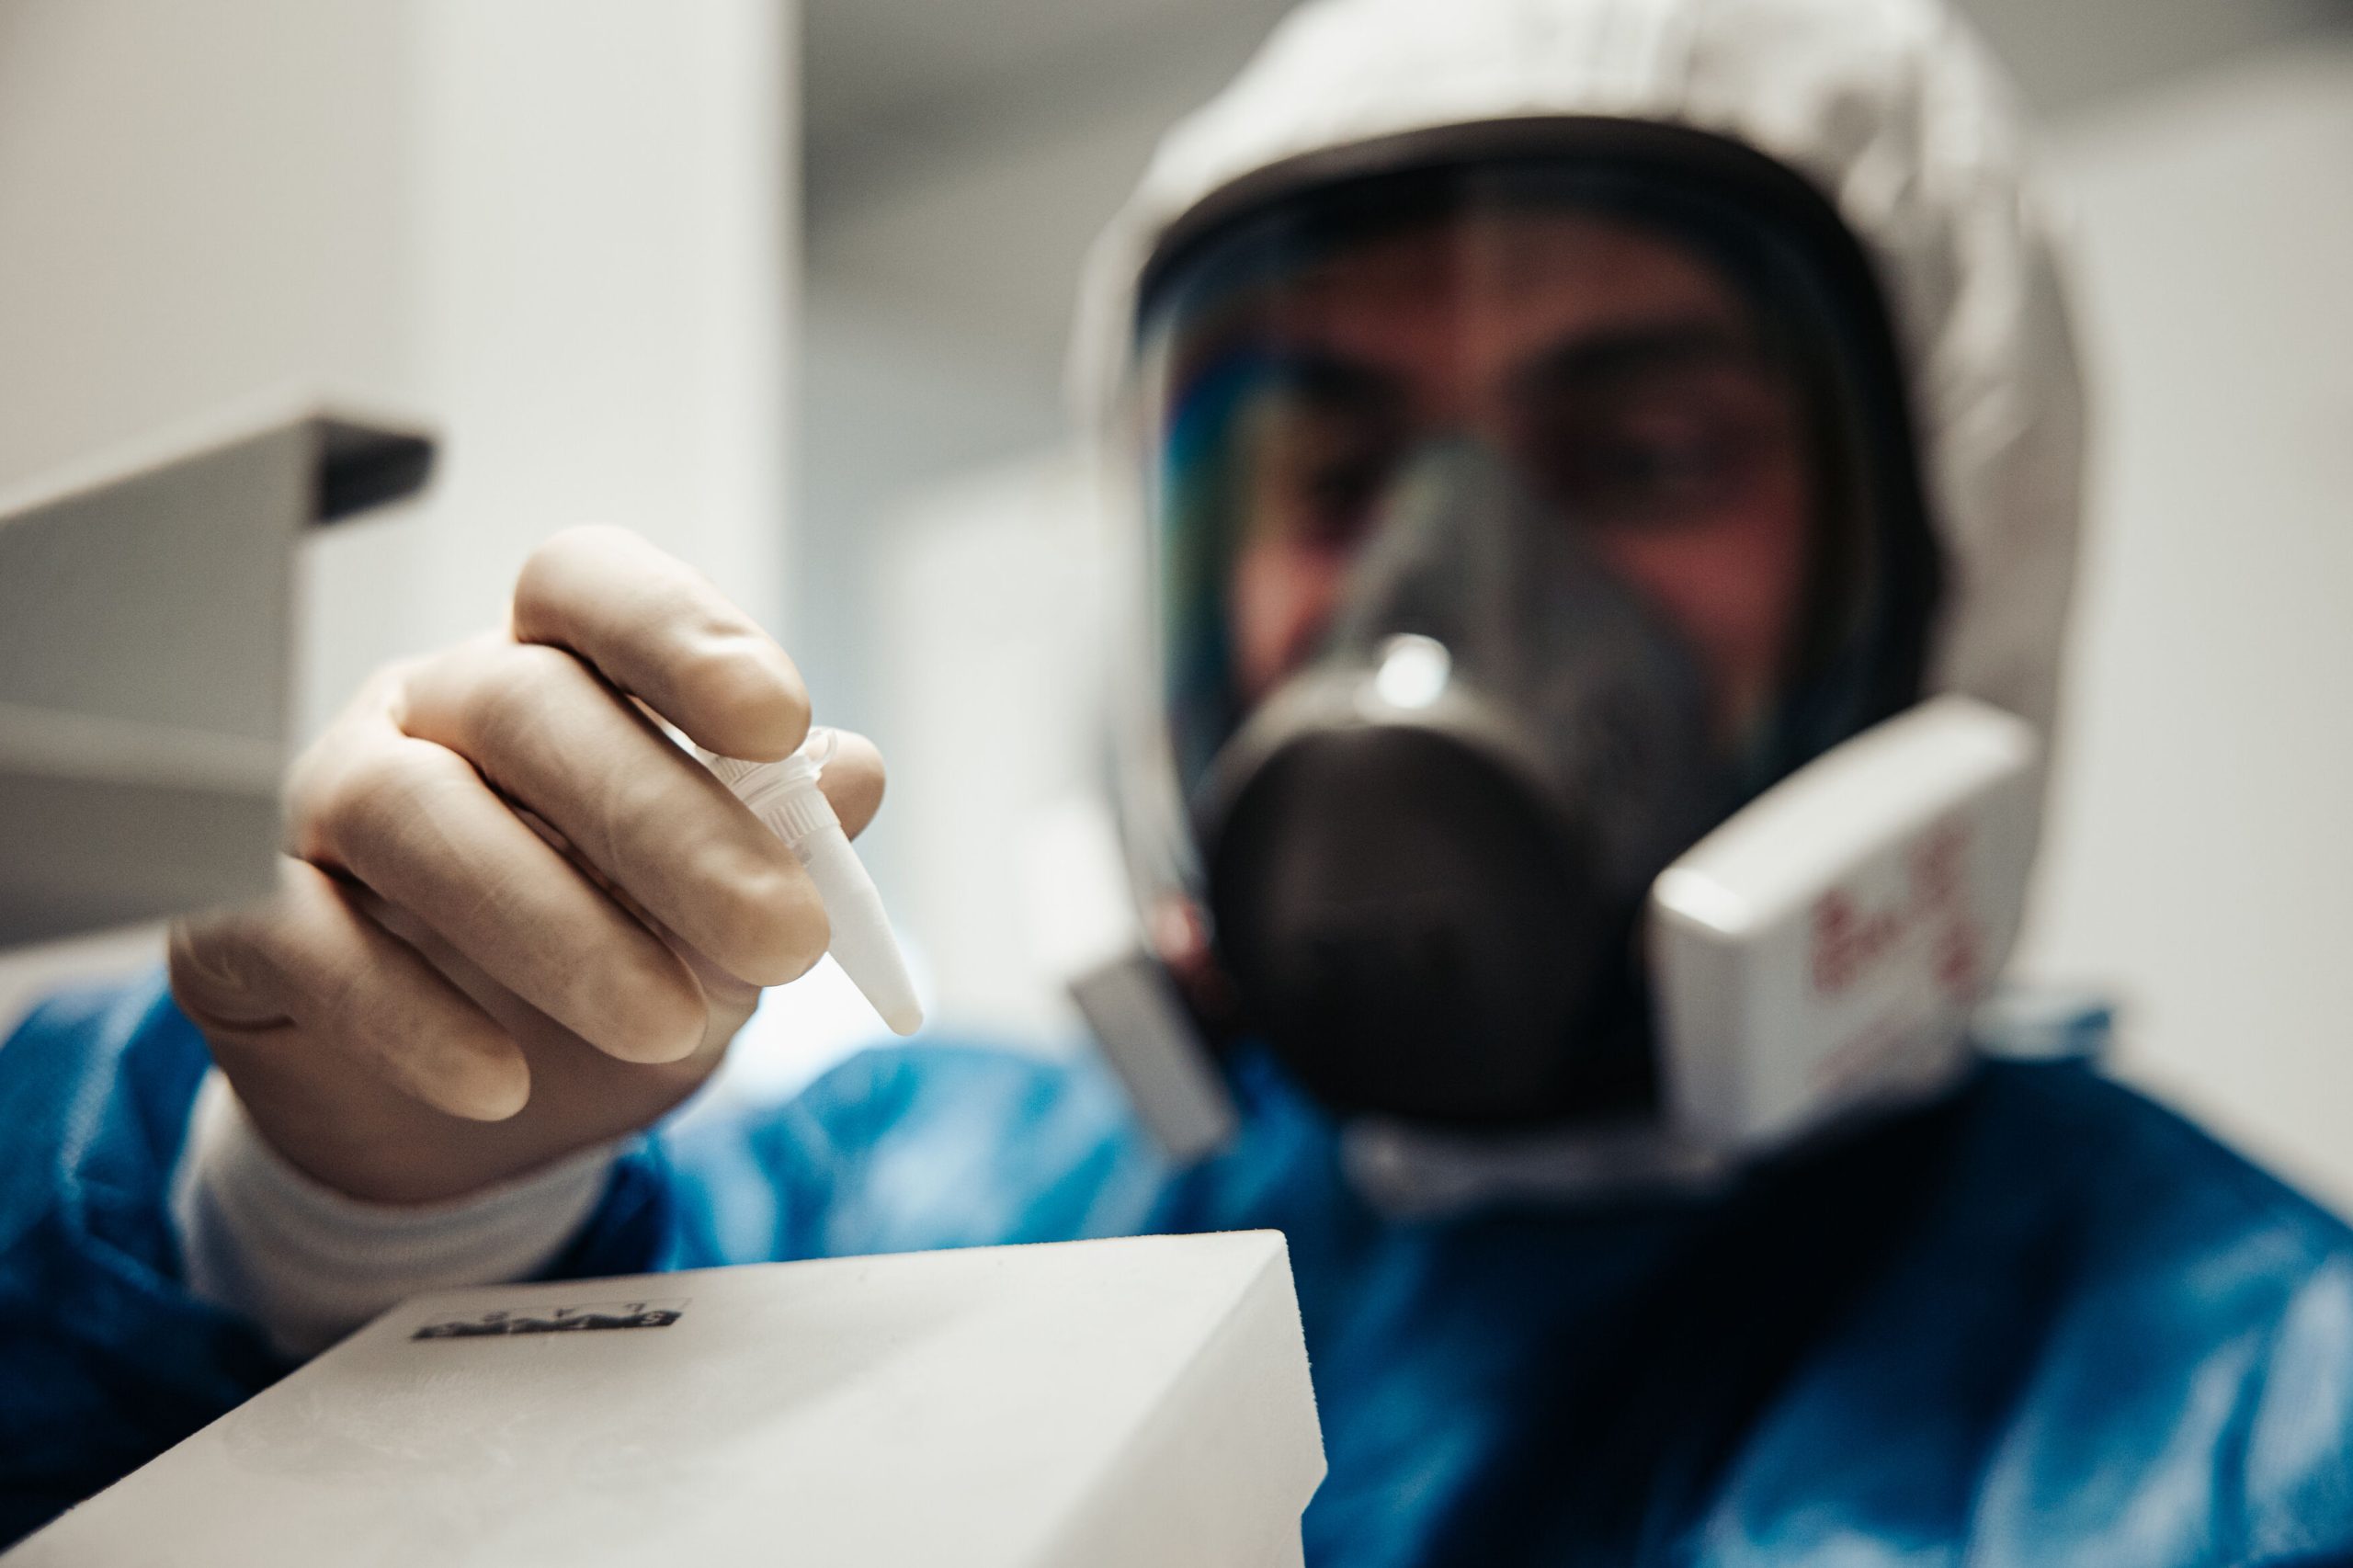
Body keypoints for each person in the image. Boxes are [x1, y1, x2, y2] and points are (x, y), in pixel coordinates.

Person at [5, 0, 2351, 1558]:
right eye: (1320, 463)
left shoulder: (2258, 1417)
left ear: (1951, 551)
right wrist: (347, 1233)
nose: (1437, 594)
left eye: (1639, 450)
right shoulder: (901, 1201)